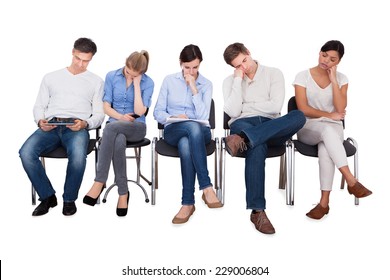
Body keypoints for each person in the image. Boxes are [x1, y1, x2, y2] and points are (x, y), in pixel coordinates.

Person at [222, 42, 306, 234]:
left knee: (298, 116)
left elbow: (275, 107)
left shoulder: (273, 73)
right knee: (257, 145)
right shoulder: (229, 82)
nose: (244, 67)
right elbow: (234, 111)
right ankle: (258, 211)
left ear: (249, 53)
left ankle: (243, 138)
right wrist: (237, 81)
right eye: (238, 66)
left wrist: (248, 105)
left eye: (244, 60)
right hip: (243, 123)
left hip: (271, 126)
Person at [19, 37, 105, 216]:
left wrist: (85, 123)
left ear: (91, 59)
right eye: (78, 59)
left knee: (78, 157)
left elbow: (99, 115)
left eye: (86, 61)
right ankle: (48, 196)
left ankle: (69, 199)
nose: (81, 64)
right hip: (51, 125)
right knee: (25, 152)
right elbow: (39, 106)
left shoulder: (96, 82)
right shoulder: (51, 77)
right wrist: (40, 120)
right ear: (72, 52)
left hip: (77, 127)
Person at [292, 40, 372, 220]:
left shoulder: (342, 79)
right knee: (326, 132)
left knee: (325, 148)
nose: (326, 60)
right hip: (308, 127)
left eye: (332, 59)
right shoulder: (302, 76)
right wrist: (328, 115)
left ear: (338, 61)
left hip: (333, 130)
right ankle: (351, 180)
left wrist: (334, 80)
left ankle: (323, 203)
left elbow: (340, 106)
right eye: (324, 55)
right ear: (319, 52)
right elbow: (303, 109)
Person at [153, 44, 222, 224]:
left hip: (201, 132)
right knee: (187, 133)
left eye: (195, 67)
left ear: (200, 64)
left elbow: (203, 116)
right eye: (187, 67)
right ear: (180, 63)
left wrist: (194, 89)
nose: (191, 71)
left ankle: (187, 203)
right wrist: (173, 116)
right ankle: (206, 187)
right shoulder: (169, 81)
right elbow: (157, 112)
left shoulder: (206, 84)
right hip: (173, 129)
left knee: (188, 140)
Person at [83, 50, 154, 217]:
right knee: (118, 138)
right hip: (115, 126)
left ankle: (99, 181)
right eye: (128, 72)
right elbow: (105, 107)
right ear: (125, 63)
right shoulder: (111, 76)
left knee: (110, 129)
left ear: (141, 73)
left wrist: (137, 85)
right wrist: (120, 117)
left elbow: (140, 111)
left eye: (134, 75)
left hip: (136, 127)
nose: (129, 76)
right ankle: (123, 193)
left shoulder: (148, 82)